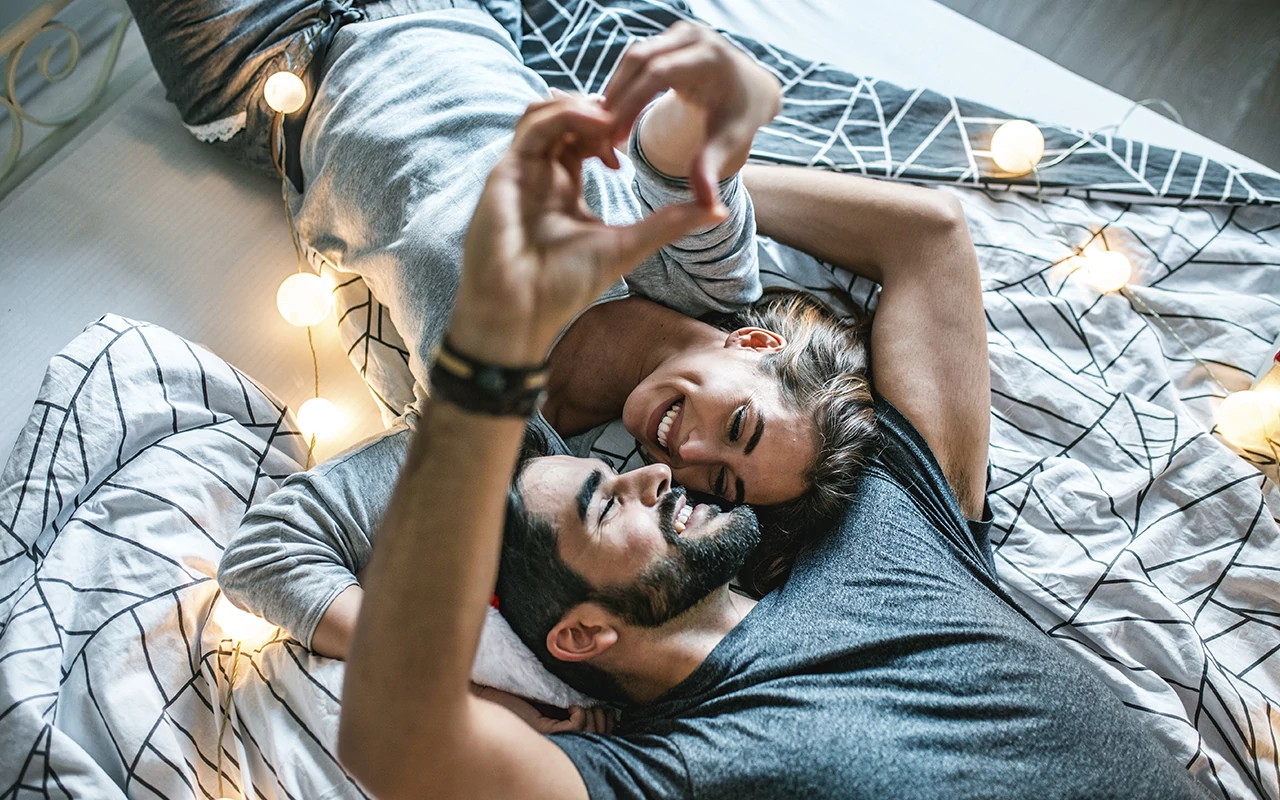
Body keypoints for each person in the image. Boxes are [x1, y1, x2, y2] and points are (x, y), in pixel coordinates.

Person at [332, 92, 1212, 799]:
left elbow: (931, 235)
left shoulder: (889, 519)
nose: (658, 470)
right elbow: (393, 741)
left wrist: (671, 201)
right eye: (607, 498)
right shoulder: (651, 767)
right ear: (585, 632)